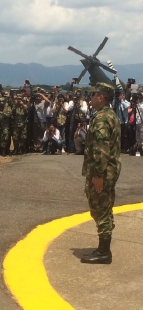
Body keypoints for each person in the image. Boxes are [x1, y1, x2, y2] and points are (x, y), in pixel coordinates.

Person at [81, 82, 121, 264]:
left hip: (102, 172)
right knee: (104, 208)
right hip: (108, 171)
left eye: (92, 94)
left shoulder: (102, 119)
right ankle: (103, 248)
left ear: (101, 97)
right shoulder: (109, 115)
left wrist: (97, 176)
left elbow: (101, 150)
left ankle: (104, 252)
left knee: (101, 209)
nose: (90, 98)